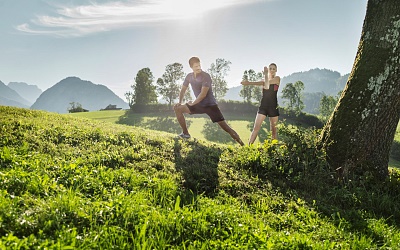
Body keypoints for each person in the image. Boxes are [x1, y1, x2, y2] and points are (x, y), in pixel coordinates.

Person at [174, 56, 244, 146]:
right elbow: (183, 90)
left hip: (211, 106)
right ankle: (186, 134)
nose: (198, 68)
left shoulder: (206, 76)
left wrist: (192, 103)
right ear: (191, 67)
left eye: (199, 65)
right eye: (196, 66)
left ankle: (242, 145)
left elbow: (203, 94)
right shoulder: (189, 76)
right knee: (178, 108)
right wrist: (180, 102)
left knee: (226, 127)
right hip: (199, 105)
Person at [241, 63, 280, 144]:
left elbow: (267, 85)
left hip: (273, 107)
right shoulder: (264, 80)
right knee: (256, 127)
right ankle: (249, 147)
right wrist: (248, 83)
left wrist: (265, 75)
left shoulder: (277, 79)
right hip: (263, 107)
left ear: (276, 70)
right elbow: (263, 84)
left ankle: (274, 150)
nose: (272, 70)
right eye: (270, 68)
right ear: (269, 70)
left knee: (274, 130)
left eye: (273, 69)